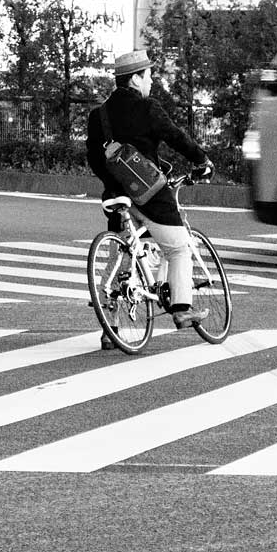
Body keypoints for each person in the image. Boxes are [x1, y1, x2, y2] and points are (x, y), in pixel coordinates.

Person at [84, 50, 214, 344]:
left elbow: (94, 158)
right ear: (134, 79)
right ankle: (182, 308)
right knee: (178, 248)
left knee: (120, 257)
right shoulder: (147, 108)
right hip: (150, 195)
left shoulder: (99, 116)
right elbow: (176, 136)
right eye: (148, 76)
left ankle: (110, 328)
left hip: (116, 196)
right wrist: (202, 160)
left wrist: (113, 182)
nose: (151, 81)